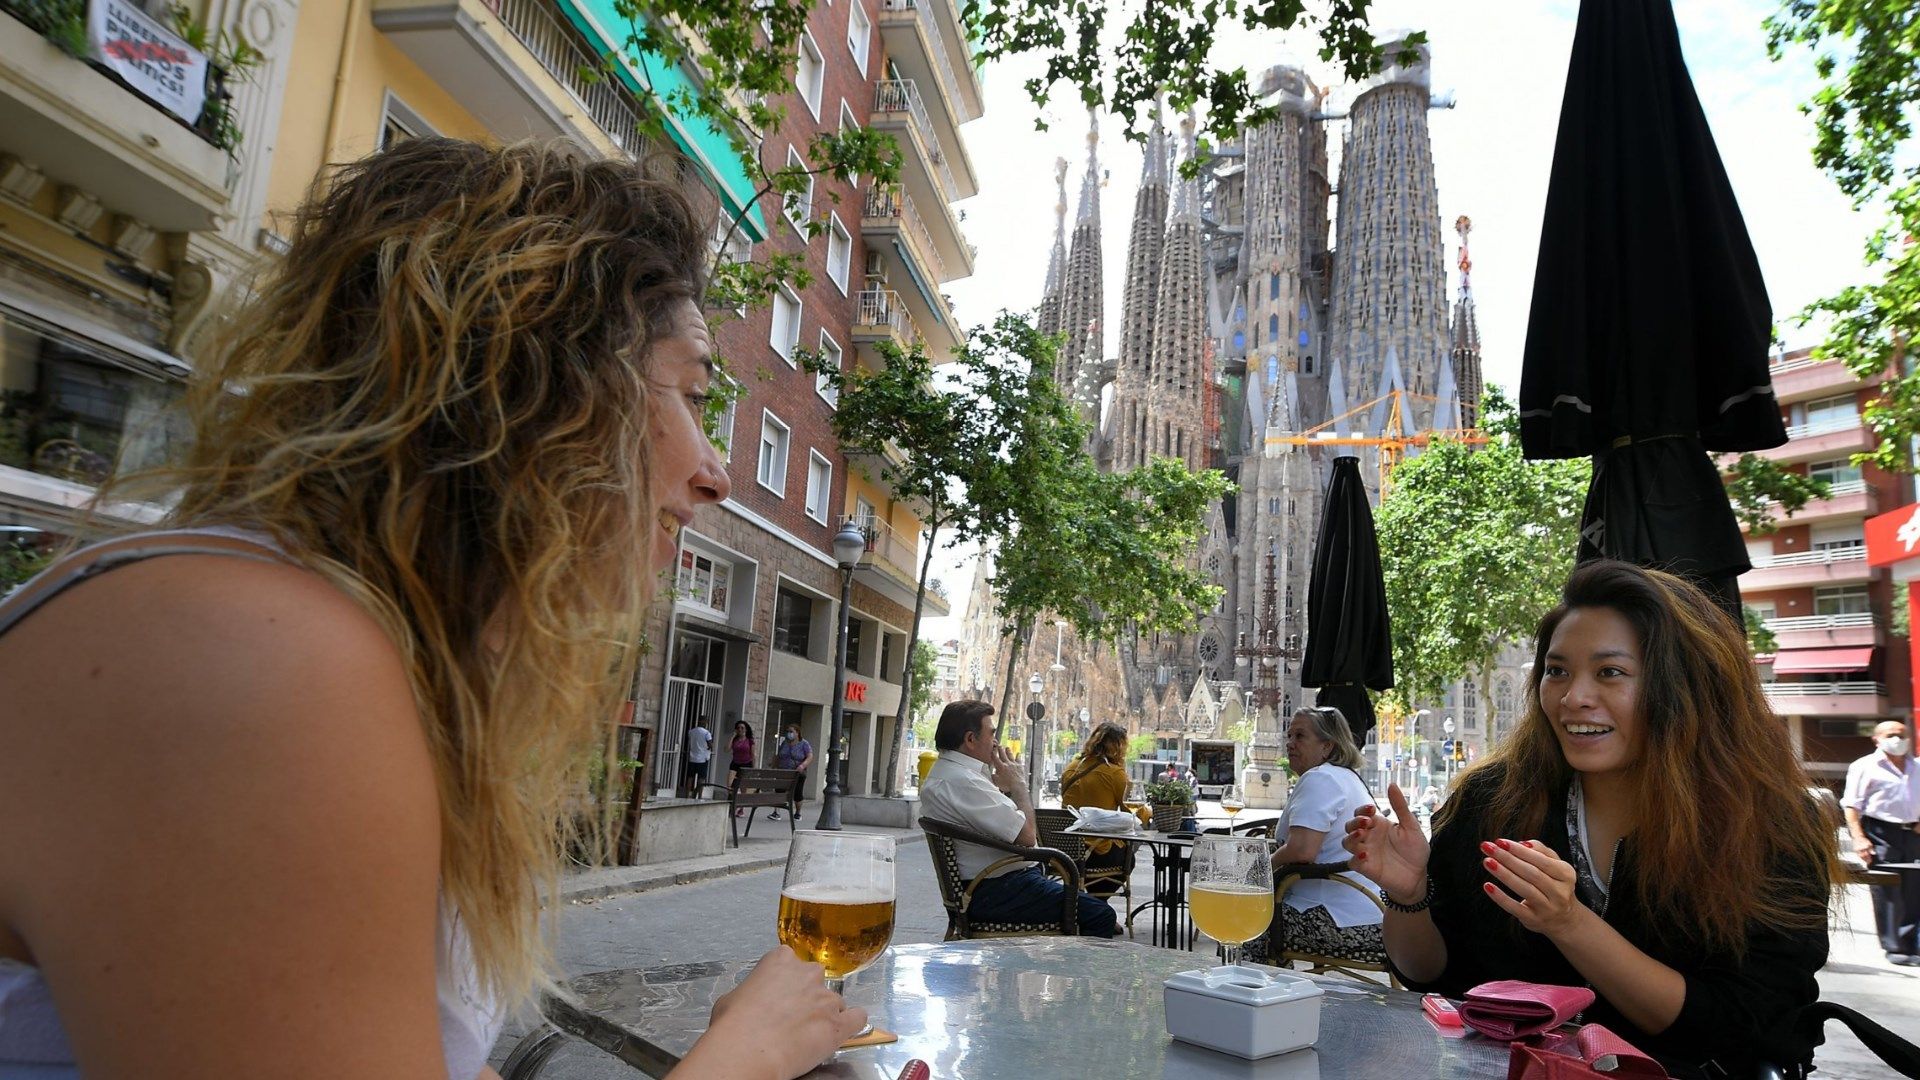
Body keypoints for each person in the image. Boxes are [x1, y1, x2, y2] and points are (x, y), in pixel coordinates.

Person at [0, 139, 863, 1079]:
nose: (714, 472)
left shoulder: (321, 637)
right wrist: (743, 1056)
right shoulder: (255, 661)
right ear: (538, 390)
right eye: (694, 392)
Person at [1344, 560, 1840, 1079]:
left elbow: (1739, 1025)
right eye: (1556, 671)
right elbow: (1434, 975)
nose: (1573, 697)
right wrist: (1407, 894)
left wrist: (1570, 923)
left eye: (1610, 672)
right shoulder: (1493, 801)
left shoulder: (1769, 827)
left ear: (1683, 687)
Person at [919, 701, 1119, 936]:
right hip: (996, 890)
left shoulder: (952, 775)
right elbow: (1026, 836)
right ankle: (1074, 972)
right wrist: (1019, 786)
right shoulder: (963, 781)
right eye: (991, 733)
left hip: (992, 884)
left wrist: (1005, 789)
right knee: (1101, 914)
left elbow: (999, 823)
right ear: (970, 739)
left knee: (1089, 906)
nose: (995, 742)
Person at [1244, 707, 1382, 966]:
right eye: (1289, 736)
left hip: (1334, 918)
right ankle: (1276, 989)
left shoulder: (1321, 778)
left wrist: (1257, 871)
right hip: (1367, 914)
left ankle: (1249, 996)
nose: (1290, 744)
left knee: (1241, 914)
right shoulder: (1348, 778)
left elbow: (1302, 851)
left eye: (1300, 736)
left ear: (1327, 747)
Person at [1842, 719, 1919, 965]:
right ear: (1877, 739)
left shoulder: (1916, 766)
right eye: (1890, 734)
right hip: (1881, 832)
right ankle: (1894, 946)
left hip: (1913, 832)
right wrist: (1859, 838)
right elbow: (1852, 805)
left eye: (1901, 734)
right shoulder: (1865, 766)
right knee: (1889, 890)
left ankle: (1911, 944)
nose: (1897, 739)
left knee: (1914, 889)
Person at [1059, 721, 1138, 897]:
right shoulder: (1115, 773)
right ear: (1119, 747)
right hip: (1096, 852)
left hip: (1066, 851)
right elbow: (1130, 812)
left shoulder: (1071, 768)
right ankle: (1098, 905)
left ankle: (1091, 908)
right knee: (1129, 857)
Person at [768, 722, 813, 822]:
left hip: (797, 772)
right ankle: (776, 812)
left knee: (797, 792)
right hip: (783, 771)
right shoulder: (785, 743)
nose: (789, 733)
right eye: (788, 731)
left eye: (791, 731)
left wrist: (802, 765)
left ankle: (797, 813)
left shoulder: (804, 743)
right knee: (779, 790)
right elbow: (779, 755)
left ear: (797, 733)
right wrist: (773, 765)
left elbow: (810, 756)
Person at [727, 719, 756, 817]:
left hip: (746, 764)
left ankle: (741, 809)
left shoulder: (750, 741)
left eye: (742, 728)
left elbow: (753, 755)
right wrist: (732, 736)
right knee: (730, 786)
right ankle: (732, 806)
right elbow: (726, 749)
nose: (740, 730)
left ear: (746, 730)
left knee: (744, 789)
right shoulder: (734, 740)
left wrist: (753, 769)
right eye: (738, 728)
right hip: (735, 764)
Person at [683, 719, 714, 797]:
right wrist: (710, 748)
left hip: (692, 757)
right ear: (706, 723)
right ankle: (699, 795)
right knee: (701, 778)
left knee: (690, 777)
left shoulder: (691, 731)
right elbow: (710, 745)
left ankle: (687, 795)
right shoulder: (707, 733)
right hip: (702, 758)